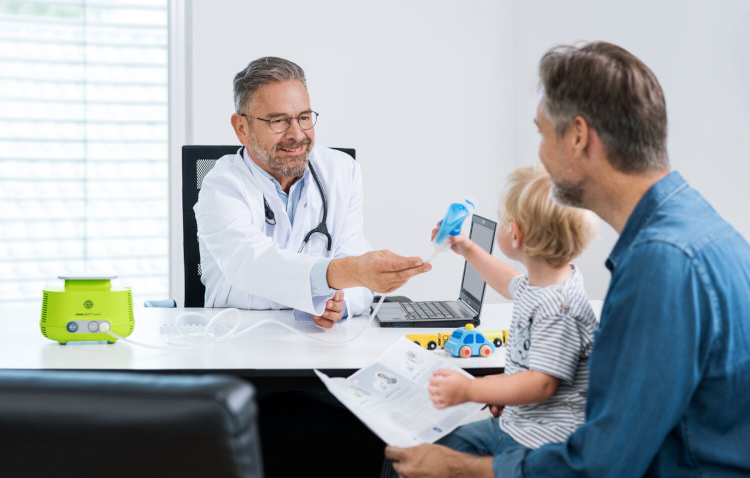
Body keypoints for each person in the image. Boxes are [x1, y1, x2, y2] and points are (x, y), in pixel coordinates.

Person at [385, 41, 750, 477]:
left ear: (578, 136)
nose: (539, 152)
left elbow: (600, 465)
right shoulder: (697, 227)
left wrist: (463, 469)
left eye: (541, 132)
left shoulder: (661, 264)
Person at [194, 57, 431, 328]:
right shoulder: (222, 185)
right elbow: (249, 263)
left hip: (320, 341)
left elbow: (358, 285)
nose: (297, 134)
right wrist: (343, 274)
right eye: (278, 121)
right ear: (242, 128)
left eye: (304, 118)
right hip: (237, 339)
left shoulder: (342, 171)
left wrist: (337, 304)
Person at [426, 165, 598, 460]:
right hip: (515, 424)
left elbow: (541, 383)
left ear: (515, 234)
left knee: (436, 459)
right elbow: (507, 282)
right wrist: (466, 248)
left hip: (540, 443)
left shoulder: (560, 307)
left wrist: (473, 389)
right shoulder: (544, 281)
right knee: (436, 448)